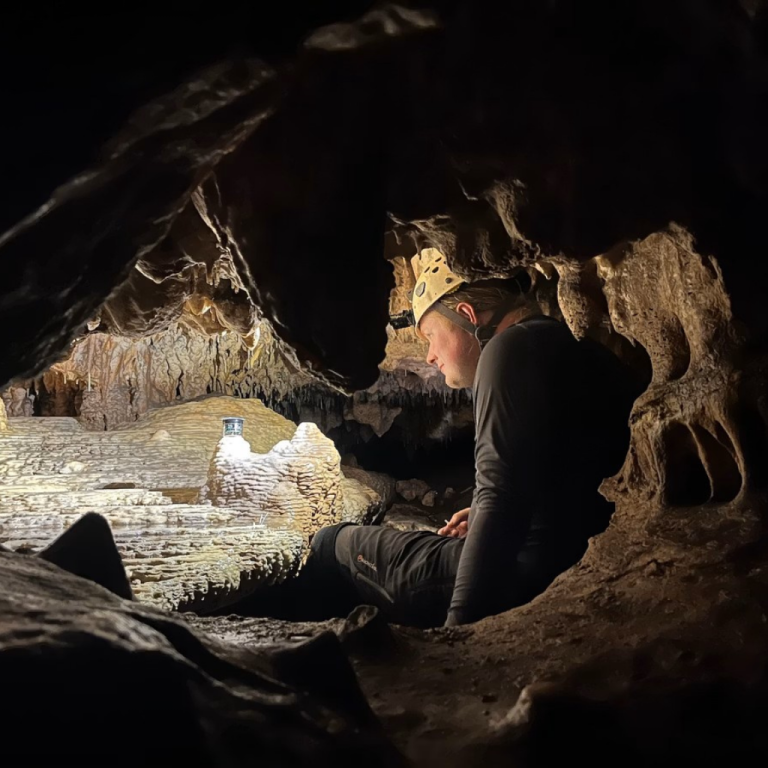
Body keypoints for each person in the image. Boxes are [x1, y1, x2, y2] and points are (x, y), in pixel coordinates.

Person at [274, 248, 639, 628]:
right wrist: (479, 512)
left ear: (466, 314)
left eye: (431, 336)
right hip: (569, 558)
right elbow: (559, 471)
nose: (429, 356)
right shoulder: (568, 343)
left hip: (518, 573)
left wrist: (461, 631)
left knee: (331, 542)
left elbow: (500, 499)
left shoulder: (508, 349)